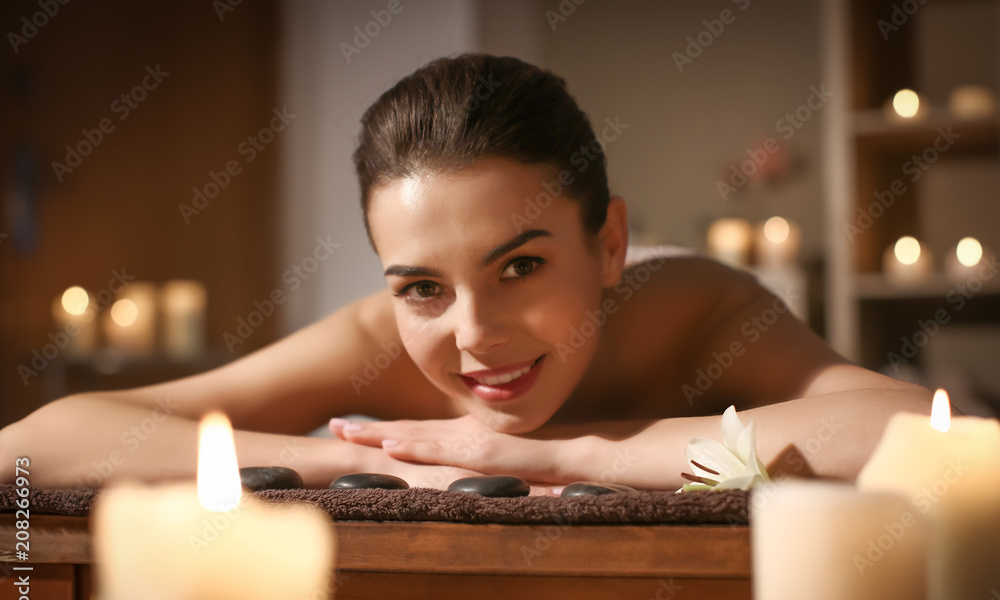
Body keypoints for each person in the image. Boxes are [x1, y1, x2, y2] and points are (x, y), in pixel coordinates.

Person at [1, 53, 933, 491]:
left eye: (521, 265)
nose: (475, 335)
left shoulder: (696, 308)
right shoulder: (377, 352)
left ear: (610, 245)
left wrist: (562, 453)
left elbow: (922, 432)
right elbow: (29, 449)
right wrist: (369, 458)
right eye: (422, 287)